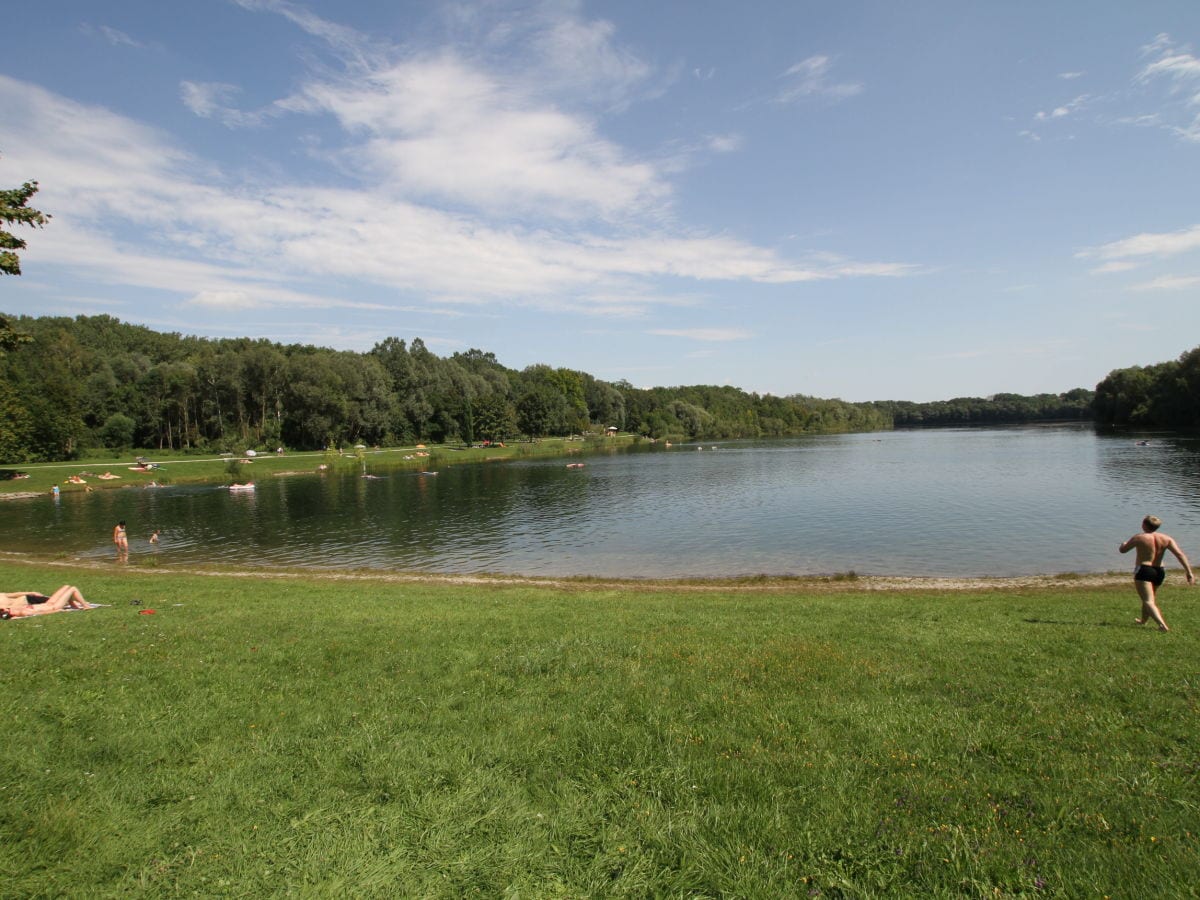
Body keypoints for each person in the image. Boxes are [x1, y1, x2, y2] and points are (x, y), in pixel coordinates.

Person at [1119, 515, 1195, 632]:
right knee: (1150, 598)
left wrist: (1123, 544)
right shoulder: (1166, 538)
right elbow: (1180, 554)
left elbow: (1123, 550)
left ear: (1143, 525)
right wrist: (1189, 572)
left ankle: (1162, 625)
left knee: (1148, 600)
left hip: (1144, 569)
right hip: (1159, 571)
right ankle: (1143, 620)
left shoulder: (1140, 537)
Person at [1, 585, 95, 619]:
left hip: (48, 604)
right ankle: (86, 606)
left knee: (66, 587)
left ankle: (73, 605)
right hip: (54, 606)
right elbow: (43, 613)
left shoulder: (13, 609)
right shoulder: (22, 612)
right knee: (73, 589)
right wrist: (56, 611)